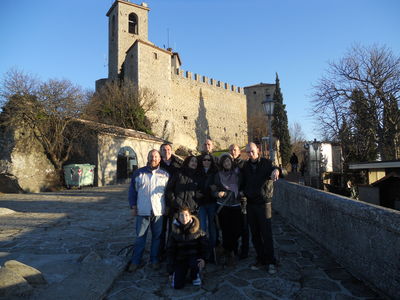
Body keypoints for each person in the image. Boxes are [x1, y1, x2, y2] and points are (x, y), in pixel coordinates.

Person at [128, 149, 169, 272]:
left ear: (160, 159)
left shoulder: (165, 175)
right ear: (148, 157)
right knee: (140, 237)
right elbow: (132, 192)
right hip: (143, 210)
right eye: (151, 156)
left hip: (158, 211)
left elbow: (167, 193)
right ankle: (136, 261)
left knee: (157, 237)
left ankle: (154, 260)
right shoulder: (138, 173)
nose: (153, 159)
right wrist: (133, 206)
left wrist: (168, 207)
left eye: (156, 157)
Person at [242, 142, 280, 274]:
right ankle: (261, 258)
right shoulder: (245, 166)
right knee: (255, 234)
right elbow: (242, 182)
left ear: (257, 150)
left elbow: (281, 171)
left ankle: (271, 261)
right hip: (251, 204)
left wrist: (277, 170)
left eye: (252, 151)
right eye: (248, 152)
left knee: (266, 234)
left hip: (264, 204)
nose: (250, 153)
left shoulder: (266, 163)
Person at [166, 206, 208, 289]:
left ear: (190, 216)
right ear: (178, 217)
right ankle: (180, 273)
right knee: (177, 286)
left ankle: (195, 274)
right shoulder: (174, 232)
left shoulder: (198, 231)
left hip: (194, 258)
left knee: (196, 280)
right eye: (181, 215)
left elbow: (205, 246)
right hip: (180, 259)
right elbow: (170, 251)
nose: (184, 218)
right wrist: (170, 271)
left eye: (186, 215)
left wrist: (204, 259)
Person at [213, 154, 243, 266]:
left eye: (228, 161)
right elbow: (213, 189)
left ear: (231, 162)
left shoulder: (237, 173)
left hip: (235, 205)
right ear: (222, 164)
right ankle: (231, 253)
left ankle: (226, 249)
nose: (227, 163)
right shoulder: (218, 175)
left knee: (237, 230)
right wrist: (217, 193)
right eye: (224, 162)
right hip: (223, 206)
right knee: (226, 231)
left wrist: (241, 193)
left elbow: (242, 185)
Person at [159, 143, 182, 260]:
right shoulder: (157, 164)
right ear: (160, 151)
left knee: (173, 230)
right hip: (160, 202)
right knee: (160, 230)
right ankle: (160, 253)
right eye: (164, 149)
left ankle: (171, 252)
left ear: (171, 151)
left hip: (174, 202)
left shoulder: (178, 164)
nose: (166, 151)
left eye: (168, 149)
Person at [197, 153, 219, 262]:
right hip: (201, 203)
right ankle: (203, 249)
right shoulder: (198, 172)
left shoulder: (215, 172)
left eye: (208, 160)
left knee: (212, 226)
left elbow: (219, 184)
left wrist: (215, 188)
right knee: (202, 227)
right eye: (204, 160)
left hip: (211, 202)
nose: (206, 161)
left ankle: (212, 249)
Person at [229, 144, 248, 259]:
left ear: (239, 152)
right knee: (233, 226)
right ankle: (234, 249)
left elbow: (248, 180)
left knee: (245, 227)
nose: (233, 151)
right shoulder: (227, 164)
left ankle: (244, 250)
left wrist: (243, 191)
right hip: (231, 200)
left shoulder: (244, 165)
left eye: (234, 150)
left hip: (242, 199)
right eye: (231, 150)